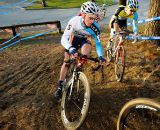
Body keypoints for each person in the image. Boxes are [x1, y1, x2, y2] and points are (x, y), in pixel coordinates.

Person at [54, 1, 106, 100]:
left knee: (85, 54)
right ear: (83, 15)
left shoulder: (95, 28)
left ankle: (77, 72)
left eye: (94, 19)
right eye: (90, 18)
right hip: (72, 39)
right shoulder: (74, 21)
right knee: (66, 62)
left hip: (84, 40)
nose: (92, 21)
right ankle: (60, 85)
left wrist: (100, 56)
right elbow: (64, 39)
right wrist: (70, 48)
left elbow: (98, 43)